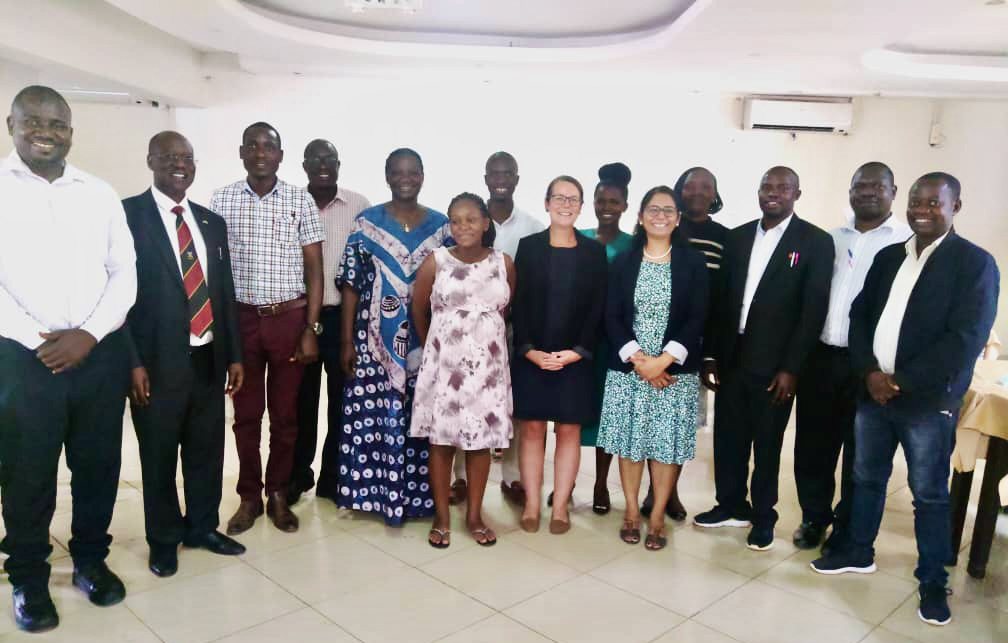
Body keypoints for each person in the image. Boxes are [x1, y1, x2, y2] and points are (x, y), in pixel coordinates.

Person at [811, 172, 1000, 628]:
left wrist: (902, 381)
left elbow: (965, 339)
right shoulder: (890, 258)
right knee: (866, 478)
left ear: (957, 206)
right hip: (873, 392)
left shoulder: (974, 263)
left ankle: (933, 581)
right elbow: (859, 318)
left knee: (929, 495)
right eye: (917, 200)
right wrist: (870, 373)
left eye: (935, 202)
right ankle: (858, 551)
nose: (923, 209)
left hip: (926, 402)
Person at [0, 85, 136, 632]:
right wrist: (39, 341)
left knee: (98, 466)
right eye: (32, 121)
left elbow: (124, 273)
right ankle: (29, 578)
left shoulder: (98, 193)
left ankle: (89, 560)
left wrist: (90, 334)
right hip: (21, 360)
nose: (45, 132)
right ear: (11, 125)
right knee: (27, 473)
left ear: (71, 133)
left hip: (94, 356)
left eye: (56, 123)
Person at [122, 131, 248, 578]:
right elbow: (117, 297)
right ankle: (163, 539)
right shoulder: (126, 216)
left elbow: (223, 293)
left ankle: (201, 527)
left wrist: (234, 354)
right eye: (170, 157)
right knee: (158, 455)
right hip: (154, 364)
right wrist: (131, 362)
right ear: (151, 160)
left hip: (208, 357)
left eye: (187, 158)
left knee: (206, 450)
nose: (180, 164)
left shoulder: (211, 222)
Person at [695, 166, 833, 552]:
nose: (773, 193)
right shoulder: (737, 238)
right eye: (767, 187)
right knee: (728, 437)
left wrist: (792, 367)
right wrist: (710, 356)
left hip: (776, 366)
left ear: (797, 194)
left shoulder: (815, 242)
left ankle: (763, 516)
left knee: (767, 443)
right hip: (731, 357)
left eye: (783, 187)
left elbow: (812, 311)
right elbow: (721, 302)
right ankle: (730, 505)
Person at [210, 122, 325, 535]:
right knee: (245, 416)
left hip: (289, 319)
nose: (261, 153)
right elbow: (215, 270)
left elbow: (315, 267)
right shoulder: (221, 200)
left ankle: (277, 493)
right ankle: (247, 497)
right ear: (242, 152)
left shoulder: (300, 200)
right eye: (253, 146)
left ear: (280, 154)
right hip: (242, 321)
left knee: (286, 416)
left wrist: (311, 327)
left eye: (269, 146)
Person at [791, 162, 911, 553]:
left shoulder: (907, 244)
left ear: (894, 192)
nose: (868, 192)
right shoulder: (829, 239)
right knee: (813, 446)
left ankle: (847, 528)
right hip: (821, 358)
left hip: (870, 367)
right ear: (850, 191)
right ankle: (814, 519)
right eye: (860, 186)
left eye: (878, 186)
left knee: (861, 453)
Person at [335, 148, 448, 526]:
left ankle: (418, 497)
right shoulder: (366, 223)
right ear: (386, 176)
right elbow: (350, 284)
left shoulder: (441, 226)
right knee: (373, 416)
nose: (405, 178)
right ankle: (375, 494)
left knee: (421, 418)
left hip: (426, 343)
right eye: (397, 172)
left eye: (412, 172)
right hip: (372, 344)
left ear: (422, 176)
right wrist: (347, 341)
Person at [597, 186, 708, 551]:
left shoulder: (693, 263)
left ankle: (657, 514)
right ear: (641, 216)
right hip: (630, 369)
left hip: (673, 374)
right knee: (629, 446)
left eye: (668, 210)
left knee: (664, 449)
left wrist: (663, 361)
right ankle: (630, 511)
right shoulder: (624, 261)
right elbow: (610, 315)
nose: (660, 215)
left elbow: (697, 317)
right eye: (653, 209)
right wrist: (640, 360)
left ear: (678, 218)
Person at [411, 193, 516, 547]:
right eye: (456, 220)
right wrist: (435, 349)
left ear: (486, 223)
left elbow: (504, 309)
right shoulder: (436, 262)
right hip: (444, 369)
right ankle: (442, 516)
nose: (463, 226)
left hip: (487, 370)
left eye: (471, 219)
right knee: (441, 442)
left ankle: (474, 514)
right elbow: (419, 309)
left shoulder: (504, 262)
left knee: (480, 444)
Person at [512, 175, 608, 535]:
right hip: (533, 356)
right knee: (533, 429)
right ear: (546, 203)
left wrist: (577, 352)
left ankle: (561, 508)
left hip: (576, 359)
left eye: (573, 199)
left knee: (568, 431)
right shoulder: (529, 246)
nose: (566, 205)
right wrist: (529, 351)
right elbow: (518, 304)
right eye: (559, 198)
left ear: (582, 207)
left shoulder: (593, 251)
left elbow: (597, 308)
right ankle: (533, 506)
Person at [453, 151, 544, 509]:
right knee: (465, 403)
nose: (501, 179)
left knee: (514, 406)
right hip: (470, 335)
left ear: (517, 179)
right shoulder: (471, 221)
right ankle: (460, 477)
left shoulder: (533, 227)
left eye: (508, 173)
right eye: (495, 173)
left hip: (514, 331)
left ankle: (512, 477)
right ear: (486, 178)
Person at [638, 166, 729, 523]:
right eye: (690, 187)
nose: (697, 193)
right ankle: (658, 491)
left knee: (678, 427)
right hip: (649, 346)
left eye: (706, 187)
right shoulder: (662, 230)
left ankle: (668, 490)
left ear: (715, 194)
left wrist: (709, 354)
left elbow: (720, 299)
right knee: (649, 424)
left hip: (694, 346)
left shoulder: (725, 237)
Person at [288, 139, 371, 505]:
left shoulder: (359, 206)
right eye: (316, 159)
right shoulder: (290, 202)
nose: (323, 165)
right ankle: (298, 476)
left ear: (339, 164)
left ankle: (332, 479)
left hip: (342, 319)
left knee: (342, 403)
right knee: (299, 403)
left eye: (330, 159)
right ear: (304, 165)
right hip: (300, 319)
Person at [559, 162, 633, 515]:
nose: (607, 207)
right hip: (576, 342)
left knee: (608, 418)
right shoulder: (578, 237)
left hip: (614, 345)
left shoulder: (634, 246)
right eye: (601, 200)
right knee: (570, 415)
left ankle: (601, 483)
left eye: (614, 201)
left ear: (625, 205)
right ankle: (566, 482)